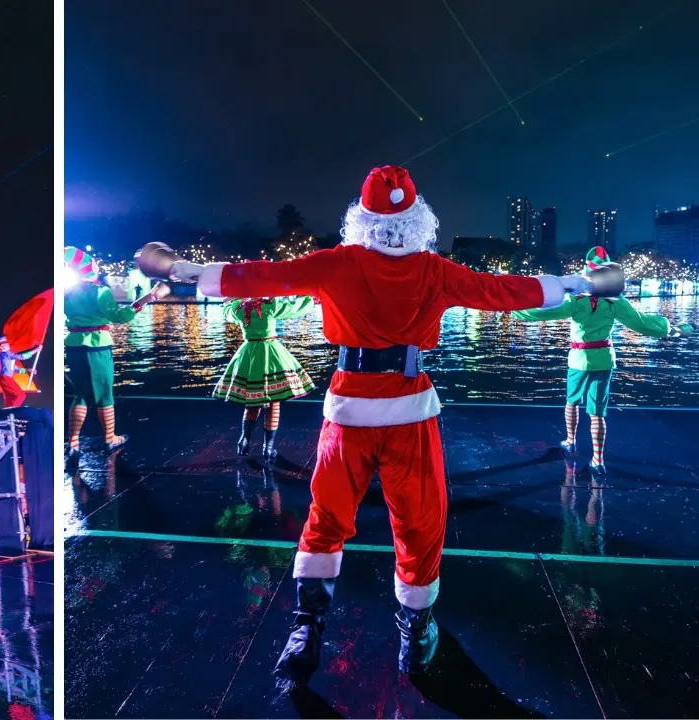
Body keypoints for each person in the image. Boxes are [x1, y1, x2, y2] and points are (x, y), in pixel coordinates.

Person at [148, 165, 597, 685]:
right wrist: (577, 283)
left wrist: (182, 268)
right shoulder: (431, 270)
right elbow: (501, 291)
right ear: (417, 216)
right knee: (415, 520)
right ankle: (396, 622)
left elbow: (263, 276)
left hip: (360, 409)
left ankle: (316, 624)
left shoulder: (345, 264)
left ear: (361, 217)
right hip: (400, 410)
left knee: (334, 516)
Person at [511, 246, 687, 473]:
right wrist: (669, 328)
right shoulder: (616, 302)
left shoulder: (576, 300)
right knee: (597, 412)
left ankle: (570, 440)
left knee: (571, 402)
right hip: (604, 360)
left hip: (578, 360)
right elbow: (641, 323)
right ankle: (598, 459)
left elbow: (544, 312)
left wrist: (514, 308)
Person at [63, 246, 168, 460]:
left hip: (73, 346)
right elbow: (120, 316)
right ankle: (110, 438)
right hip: (97, 347)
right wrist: (146, 299)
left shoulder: (66, 292)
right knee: (105, 394)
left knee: (80, 395)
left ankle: (73, 442)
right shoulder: (99, 291)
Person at [214, 296, 317, 457]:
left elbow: (226, 311)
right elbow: (294, 308)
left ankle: (244, 440)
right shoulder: (269, 305)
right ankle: (268, 448)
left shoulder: (238, 307)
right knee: (274, 403)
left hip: (248, 353)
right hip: (271, 352)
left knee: (253, 401)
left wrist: (228, 301)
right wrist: (310, 299)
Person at [0, 338, 40, 408]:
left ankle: (7, 413)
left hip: (5, 379)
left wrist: (28, 370)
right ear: (1, 347)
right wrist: (35, 350)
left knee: (10, 399)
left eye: (7, 343)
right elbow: (21, 357)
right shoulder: (5, 354)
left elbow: (16, 369)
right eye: (5, 343)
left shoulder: (7, 357)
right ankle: (13, 411)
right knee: (21, 395)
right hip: (6, 379)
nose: (8, 344)